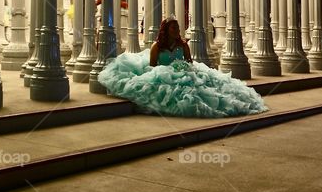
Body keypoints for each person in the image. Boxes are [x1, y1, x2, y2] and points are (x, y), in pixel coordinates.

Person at [97, 17, 268, 118]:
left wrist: (184, 69)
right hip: (161, 74)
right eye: (174, 27)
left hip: (183, 73)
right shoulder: (157, 47)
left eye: (178, 27)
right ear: (166, 30)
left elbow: (190, 62)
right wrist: (165, 72)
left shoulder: (183, 45)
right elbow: (152, 66)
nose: (177, 30)